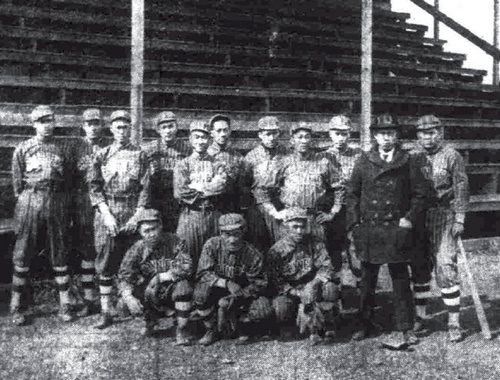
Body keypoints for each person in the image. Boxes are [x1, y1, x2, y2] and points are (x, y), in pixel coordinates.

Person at [347, 114, 429, 349]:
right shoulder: (364, 160)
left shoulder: (407, 160)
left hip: (397, 228)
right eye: (382, 133)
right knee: (367, 280)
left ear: (397, 136)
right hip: (370, 229)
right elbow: (352, 193)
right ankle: (363, 325)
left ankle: (405, 327)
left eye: (391, 133)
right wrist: (354, 224)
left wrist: (409, 220)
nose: (386, 138)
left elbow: (420, 195)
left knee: (400, 279)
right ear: (374, 135)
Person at [10, 105, 73, 325]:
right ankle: (16, 305)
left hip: (56, 201)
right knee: (24, 251)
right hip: (31, 201)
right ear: (34, 124)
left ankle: (65, 304)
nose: (47, 125)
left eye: (50, 121)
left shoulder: (62, 149)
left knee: (60, 251)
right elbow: (17, 183)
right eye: (42, 121)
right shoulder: (24, 148)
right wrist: (28, 201)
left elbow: (69, 181)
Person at [89, 110, 151, 329]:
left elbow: (145, 188)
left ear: (130, 129)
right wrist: (106, 215)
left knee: (134, 259)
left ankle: (134, 304)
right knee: (105, 261)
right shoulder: (102, 154)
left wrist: (137, 215)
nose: (122, 131)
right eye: (118, 127)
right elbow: (95, 187)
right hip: (109, 211)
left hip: (132, 209)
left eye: (125, 127)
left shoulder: (140, 155)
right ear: (111, 129)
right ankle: (106, 312)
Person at [412, 115, 469, 342]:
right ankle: (420, 316)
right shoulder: (413, 157)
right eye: (423, 133)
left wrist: (460, 218)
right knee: (419, 267)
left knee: (445, 265)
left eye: (432, 132)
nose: (428, 136)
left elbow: (461, 187)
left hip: (443, 215)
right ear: (417, 136)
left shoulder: (451, 156)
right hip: (418, 217)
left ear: (441, 133)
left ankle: (454, 321)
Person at [259, 121, 343, 271]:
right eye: (299, 137)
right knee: (288, 259)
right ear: (292, 139)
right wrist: (275, 212)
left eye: (307, 137)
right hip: (291, 218)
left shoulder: (323, 162)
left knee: (318, 257)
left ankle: (320, 289)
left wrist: (333, 213)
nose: (303, 141)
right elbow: (263, 189)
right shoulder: (282, 161)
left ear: (312, 139)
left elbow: (338, 188)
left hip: (314, 218)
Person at [192, 213, 272, 346]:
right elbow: (203, 273)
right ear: (220, 233)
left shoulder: (253, 254)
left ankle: (242, 326)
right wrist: (226, 283)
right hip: (217, 290)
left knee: (263, 309)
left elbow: (259, 284)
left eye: (236, 234)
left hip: (243, 295)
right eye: (227, 234)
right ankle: (211, 328)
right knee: (200, 293)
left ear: (243, 232)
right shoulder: (212, 245)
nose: (232, 240)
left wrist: (237, 295)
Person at [117, 209, 193, 344]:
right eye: (146, 231)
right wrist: (128, 296)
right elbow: (125, 274)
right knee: (124, 300)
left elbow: (186, 266)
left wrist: (162, 276)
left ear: (161, 226)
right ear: (140, 232)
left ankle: (182, 328)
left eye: (154, 229)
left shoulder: (175, 241)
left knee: (184, 288)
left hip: (171, 287)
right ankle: (149, 320)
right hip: (149, 291)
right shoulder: (137, 249)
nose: (151, 234)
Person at [269, 208, 340, 344]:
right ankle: (289, 325)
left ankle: (329, 324)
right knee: (280, 306)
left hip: (313, 287)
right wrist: (297, 293)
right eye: (295, 227)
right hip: (291, 291)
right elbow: (276, 281)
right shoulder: (276, 250)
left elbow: (327, 267)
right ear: (285, 227)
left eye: (302, 226)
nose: (299, 231)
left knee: (330, 288)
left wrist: (313, 284)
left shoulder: (315, 243)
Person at [173, 120, 231, 269]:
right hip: (191, 215)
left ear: (209, 140)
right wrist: (209, 188)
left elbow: (221, 186)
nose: (200, 141)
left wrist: (197, 187)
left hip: (213, 215)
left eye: (204, 138)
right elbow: (180, 192)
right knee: (187, 256)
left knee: (214, 256)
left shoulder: (217, 163)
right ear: (190, 140)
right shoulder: (183, 164)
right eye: (197, 137)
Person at [70, 108, 108, 317]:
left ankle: (107, 298)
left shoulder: (108, 145)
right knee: (86, 248)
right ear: (83, 126)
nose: (93, 127)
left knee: (104, 247)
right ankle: (87, 295)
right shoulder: (75, 146)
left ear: (102, 125)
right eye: (89, 124)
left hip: (104, 202)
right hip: (82, 202)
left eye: (96, 123)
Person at [323, 115, 362, 281]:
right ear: (330, 134)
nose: (340, 137)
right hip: (333, 208)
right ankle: (336, 294)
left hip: (355, 206)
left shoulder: (359, 154)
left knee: (356, 248)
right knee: (334, 249)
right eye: (337, 133)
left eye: (344, 133)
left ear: (349, 134)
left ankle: (362, 291)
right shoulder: (322, 156)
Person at [244, 116, 289, 252]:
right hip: (258, 205)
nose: (271, 138)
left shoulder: (287, 153)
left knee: (282, 240)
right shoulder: (252, 157)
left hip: (281, 202)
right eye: (267, 134)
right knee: (259, 241)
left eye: (274, 133)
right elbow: (245, 184)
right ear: (260, 135)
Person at [143, 111, 191, 233]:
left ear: (176, 127)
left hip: (178, 199)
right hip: (156, 197)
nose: (168, 131)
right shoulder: (149, 149)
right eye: (164, 127)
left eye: (171, 126)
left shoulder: (187, 148)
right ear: (158, 130)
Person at [207, 114, 248, 214]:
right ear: (211, 133)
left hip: (231, 207)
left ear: (229, 132)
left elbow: (243, 185)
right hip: (209, 207)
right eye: (219, 131)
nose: (223, 134)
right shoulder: (205, 155)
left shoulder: (238, 157)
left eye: (225, 130)